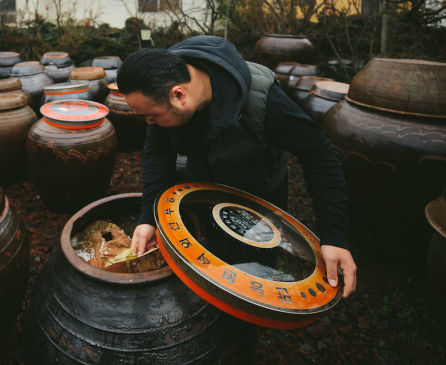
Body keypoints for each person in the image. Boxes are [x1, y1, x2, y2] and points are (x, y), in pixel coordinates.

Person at [117, 35, 357, 298]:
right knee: (207, 263)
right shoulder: (161, 84)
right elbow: (157, 151)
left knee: (252, 274)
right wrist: (148, 217)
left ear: (179, 95)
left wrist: (333, 235)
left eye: (152, 116)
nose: (149, 123)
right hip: (202, 187)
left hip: (258, 197)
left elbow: (319, 152)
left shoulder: (265, 100)